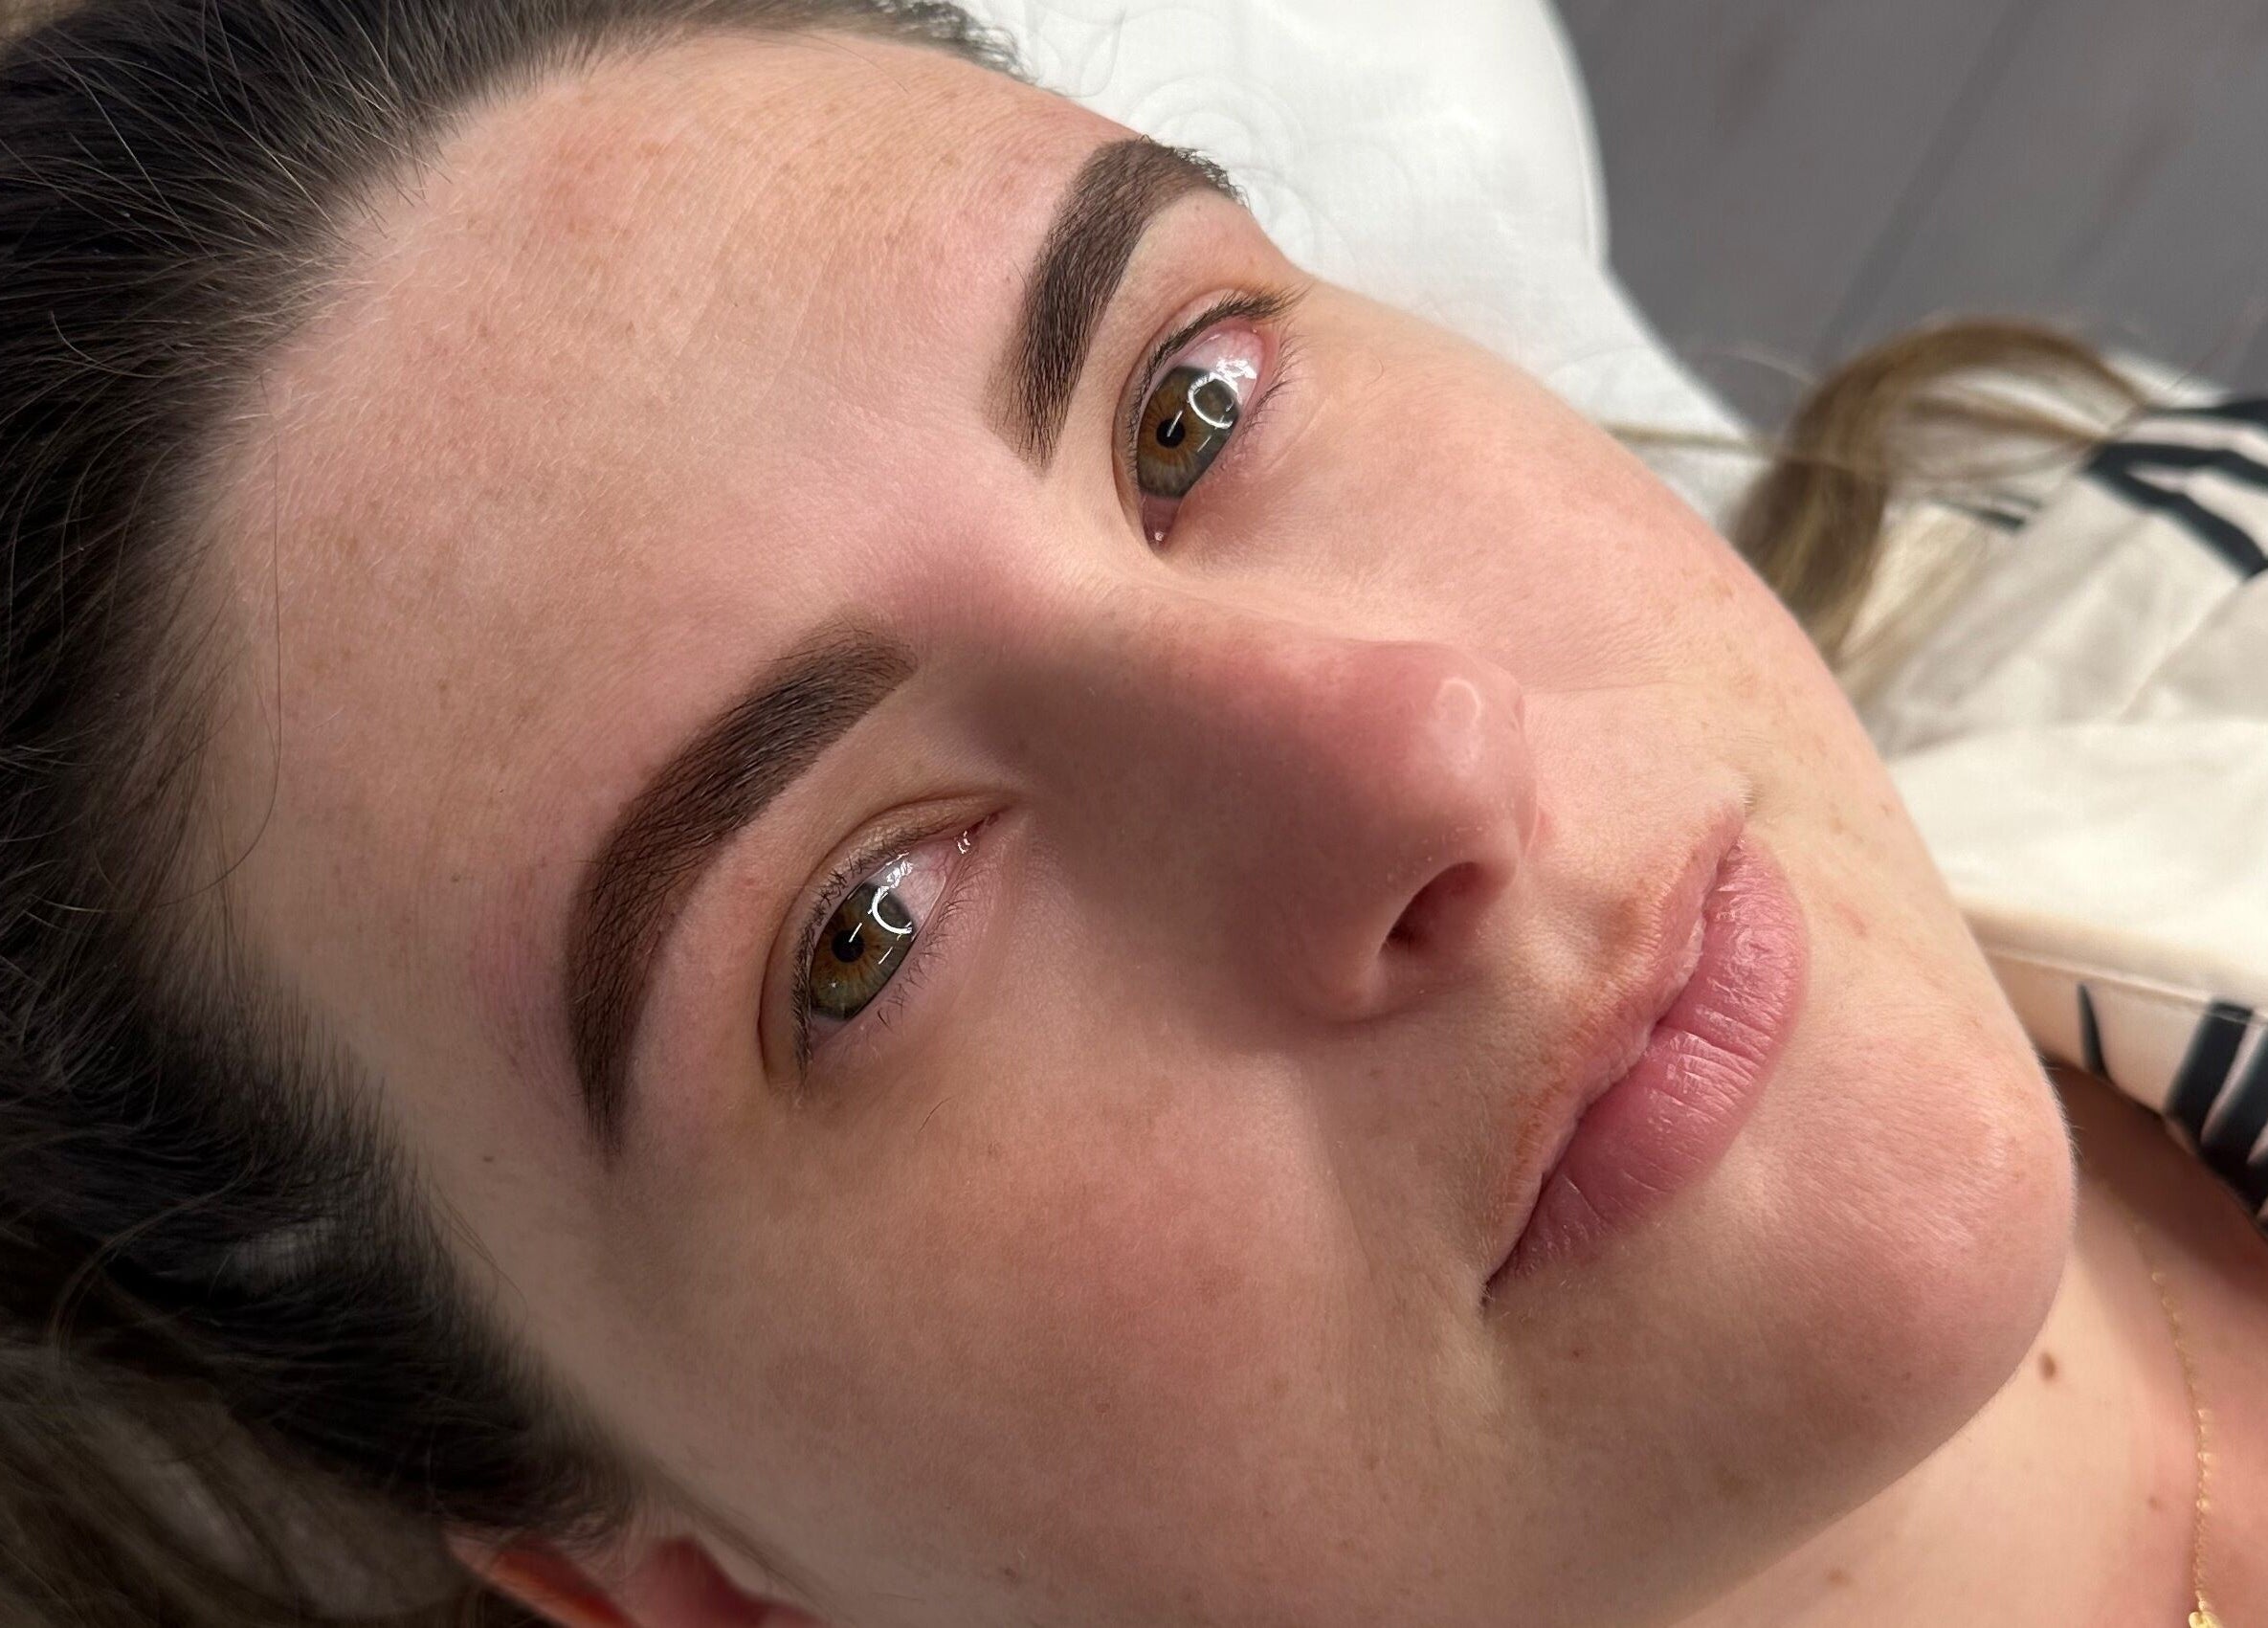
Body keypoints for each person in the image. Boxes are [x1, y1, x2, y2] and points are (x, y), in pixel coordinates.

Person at [0, 1, 2259, 1626]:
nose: (1418, 752)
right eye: (867, 926)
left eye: (1188, 408)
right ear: (716, 1592)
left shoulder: (2178, 579)